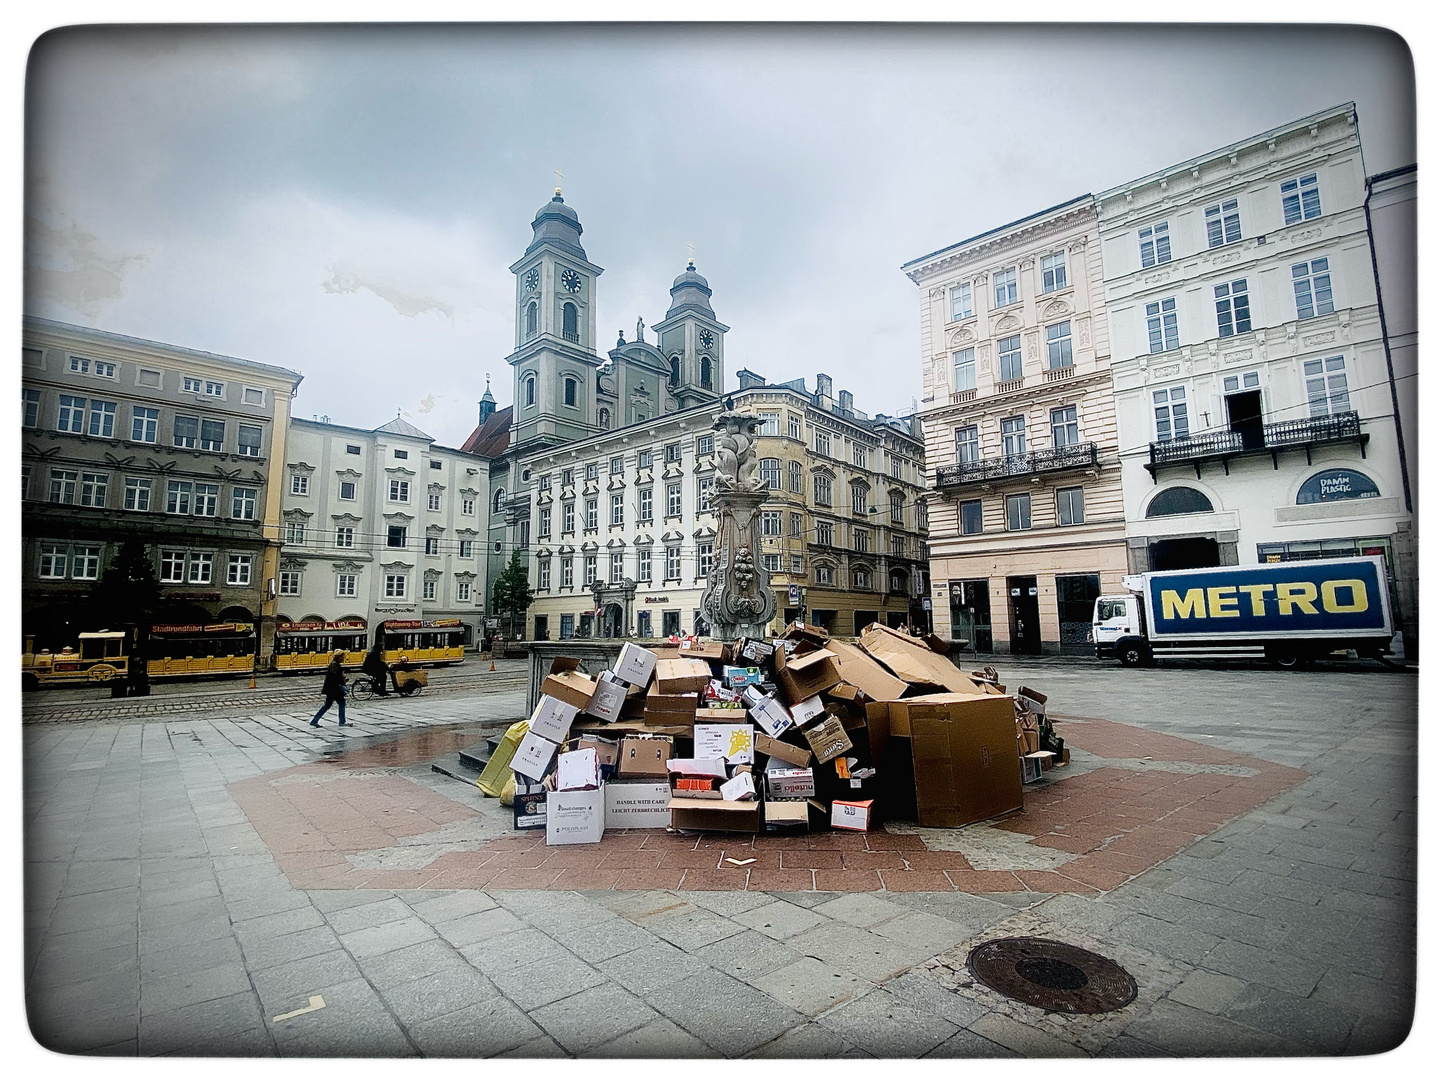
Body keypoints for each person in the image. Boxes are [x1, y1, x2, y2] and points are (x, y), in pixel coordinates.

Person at [310, 650, 348, 727]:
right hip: (334, 689)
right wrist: (343, 679)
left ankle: (314, 720)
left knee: (327, 705)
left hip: (331, 689)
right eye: (342, 656)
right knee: (341, 703)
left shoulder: (334, 664)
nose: (343, 658)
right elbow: (335, 678)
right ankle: (342, 722)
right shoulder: (335, 665)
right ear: (338, 657)